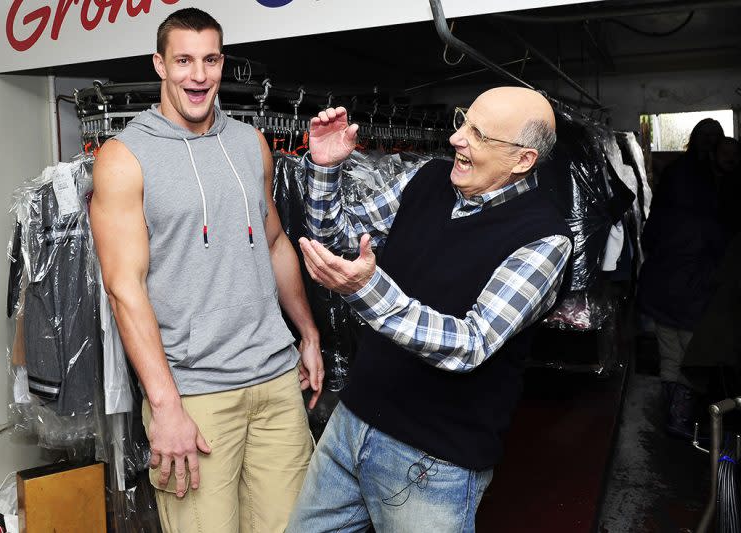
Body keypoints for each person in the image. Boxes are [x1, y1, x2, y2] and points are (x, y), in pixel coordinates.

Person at [286, 87, 573, 532]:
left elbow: (470, 344)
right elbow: (340, 240)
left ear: (522, 161)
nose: (457, 138)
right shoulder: (427, 178)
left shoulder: (544, 240)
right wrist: (325, 170)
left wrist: (369, 289)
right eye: (464, 121)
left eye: (478, 134)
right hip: (351, 424)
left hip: (431, 460)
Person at [90, 8, 323, 533]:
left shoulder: (251, 143)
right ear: (159, 65)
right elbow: (123, 289)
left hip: (275, 382)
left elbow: (275, 241)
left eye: (211, 60)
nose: (199, 75)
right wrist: (165, 405)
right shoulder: (124, 157)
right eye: (184, 61)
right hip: (196, 397)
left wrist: (307, 331)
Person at [637, 119, 727, 439]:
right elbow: (721, 258)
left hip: (662, 291)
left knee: (671, 355)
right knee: (693, 359)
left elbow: (648, 240)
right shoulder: (712, 214)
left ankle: (675, 417)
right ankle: (682, 418)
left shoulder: (669, 196)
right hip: (692, 296)